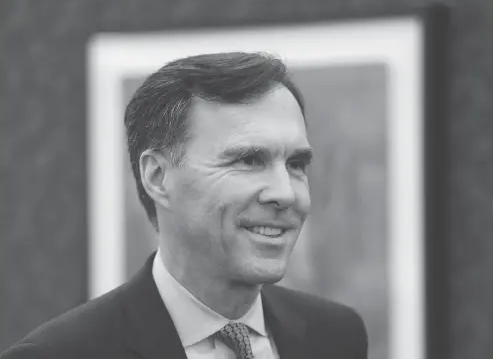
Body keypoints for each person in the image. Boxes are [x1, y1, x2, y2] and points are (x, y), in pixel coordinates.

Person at [1, 52, 367, 359]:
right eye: (249, 160)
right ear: (158, 177)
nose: (285, 193)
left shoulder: (336, 335)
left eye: (296, 165)